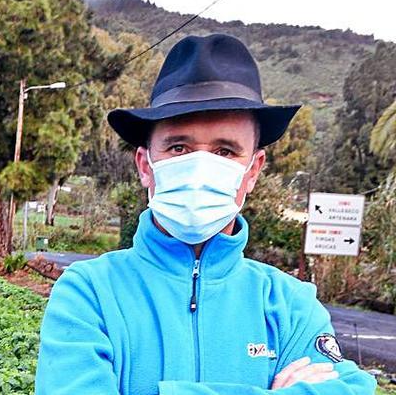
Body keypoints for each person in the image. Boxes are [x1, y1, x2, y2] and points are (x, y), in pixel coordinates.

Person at [34, 34, 377, 395]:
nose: (200, 166)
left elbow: (353, 389)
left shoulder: (290, 305)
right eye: (179, 147)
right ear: (145, 164)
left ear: (253, 171)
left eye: (225, 151)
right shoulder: (90, 292)